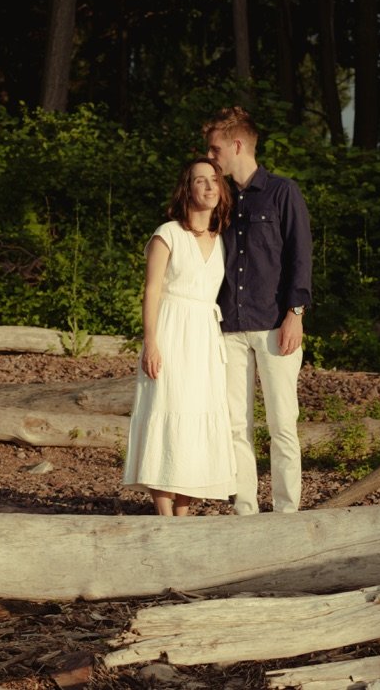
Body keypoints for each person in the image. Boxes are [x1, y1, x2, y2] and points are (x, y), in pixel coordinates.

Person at [203, 106, 312, 515]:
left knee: (283, 425)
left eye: (215, 150)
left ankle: (286, 514)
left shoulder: (283, 192)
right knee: (235, 427)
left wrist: (295, 313)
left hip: (274, 325)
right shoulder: (221, 198)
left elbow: (300, 257)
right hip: (229, 325)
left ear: (236, 145)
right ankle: (245, 512)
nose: (211, 158)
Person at [122, 157, 237, 516]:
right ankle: (164, 515)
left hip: (204, 335)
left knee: (197, 417)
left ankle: (183, 516)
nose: (208, 186)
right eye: (200, 181)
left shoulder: (222, 241)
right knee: (166, 411)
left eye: (214, 180)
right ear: (187, 189)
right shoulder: (167, 233)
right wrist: (151, 342)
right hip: (172, 331)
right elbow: (152, 291)